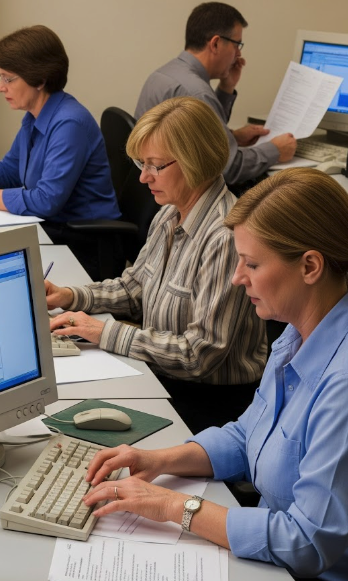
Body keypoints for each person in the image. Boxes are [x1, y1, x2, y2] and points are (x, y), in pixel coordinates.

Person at [81, 168, 348, 581]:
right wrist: (160, 460)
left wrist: (172, 506)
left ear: (310, 266)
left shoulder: (341, 383)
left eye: (252, 264)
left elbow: (307, 542)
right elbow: (247, 436)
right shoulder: (296, 335)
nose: (238, 277)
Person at [45, 97, 266, 433]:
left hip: (210, 405)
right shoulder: (170, 212)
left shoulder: (225, 237)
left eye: (155, 165)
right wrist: (70, 296)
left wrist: (106, 332)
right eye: (141, 164)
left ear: (195, 160)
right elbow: (135, 288)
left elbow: (198, 355)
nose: (143, 178)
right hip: (167, 378)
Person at [0, 25, 121, 280]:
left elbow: (46, 200)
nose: (0, 87)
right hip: (56, 230)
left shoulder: (69, 123)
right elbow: (10, 169)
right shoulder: (35, 115)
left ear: (39, 79)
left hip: (85, 245)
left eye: (8, 78)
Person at [135, 2, 296, 188]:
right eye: (237, 45)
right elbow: (228, 169)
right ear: (216, 43)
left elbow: (196, 138)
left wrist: (227, 90)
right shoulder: (195, 92)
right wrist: (275, 150)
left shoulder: (166, 73)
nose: (238, 54)